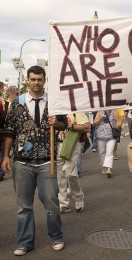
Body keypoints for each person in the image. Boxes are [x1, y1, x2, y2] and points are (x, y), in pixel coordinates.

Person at [1, 65, 67, 256]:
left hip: (47, 160)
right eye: (33, 79)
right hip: (22, 162)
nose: (36, 82)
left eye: (39, 79)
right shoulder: (17, 103)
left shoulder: (54, 102)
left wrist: (58, 123)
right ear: (27, 81)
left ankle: (56, 236)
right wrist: (6, 156)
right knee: (23, 206)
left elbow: (64, 124)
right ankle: (24, 242)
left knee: (52, 203)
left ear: (45, 80)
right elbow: (9, 131)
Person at [57, 112, 90, 213]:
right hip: (57, 144)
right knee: (61, 175)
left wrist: (71, 126)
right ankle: (64, 203)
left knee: (70, 173)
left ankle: (78, 197)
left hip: (72, 143)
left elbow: (87, 127)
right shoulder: (54, 107)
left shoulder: (75, 108)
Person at [94, 109, 121, 178]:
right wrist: (99, 119)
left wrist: (117, 125)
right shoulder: (99, 111)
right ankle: (105, 166)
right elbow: (94, 123)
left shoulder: (114, 111)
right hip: (101, 135)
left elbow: (119, 121)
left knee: (110, 152)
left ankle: (109, 169)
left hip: (111, 135)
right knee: (101, 153)